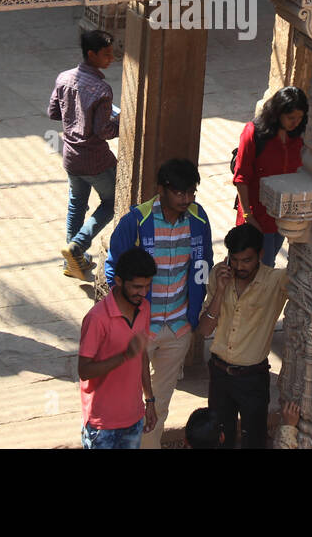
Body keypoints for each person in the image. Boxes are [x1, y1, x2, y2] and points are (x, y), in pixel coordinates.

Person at [104, 158, 212, 448]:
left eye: (191, 193)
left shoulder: (198, 220)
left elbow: (203, 266)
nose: (186, 199)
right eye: (180, 193)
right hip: (140, 330)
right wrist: (127, 318)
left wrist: (194, 314)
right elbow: (114, 268)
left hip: (178, 328)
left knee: (159, 404)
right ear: (161, 190)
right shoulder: (136, 221)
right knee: (126, 400)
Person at [197, 222, 288, 448]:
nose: (240, 266)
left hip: (253, 379)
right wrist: (219, 290)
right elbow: (205, 330)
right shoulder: (219, 274)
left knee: (255, 440)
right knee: (219, 439)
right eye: (235, 260)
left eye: (246, 260)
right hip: (219, 375)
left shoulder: (276, 282)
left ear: (261, 254)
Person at [49, 29, 120, 281]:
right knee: (112, 202)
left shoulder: (64, 78)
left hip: (71, 156)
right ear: (92, 54)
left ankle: (73, 262)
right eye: (107, 54)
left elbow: (54, 113)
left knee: (77, 203)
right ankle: (78, 246)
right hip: (96, 160)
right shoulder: (102, 89)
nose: (111, 58)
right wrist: (121, 120)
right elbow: (104, 131)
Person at [78, 247, 157, 449]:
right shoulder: (97, 319)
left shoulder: (144, 308)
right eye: (137, 287)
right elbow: (84, 370)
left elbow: (142, 357)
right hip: (102, 425)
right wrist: (124, 356)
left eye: (147, 286)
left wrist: (149, 401)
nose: (143, 293)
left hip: (133, 418)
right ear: (120, 281)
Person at [233, 86, 308, 267]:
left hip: (283, 216)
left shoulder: (298, 137)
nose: (296, 123)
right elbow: (241, 177)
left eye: (300, 118)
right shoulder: (254, 133)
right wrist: (248, 216)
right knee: (258, 267)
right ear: (278, 113)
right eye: (291, 118)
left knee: (268, 263)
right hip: (257, 216)